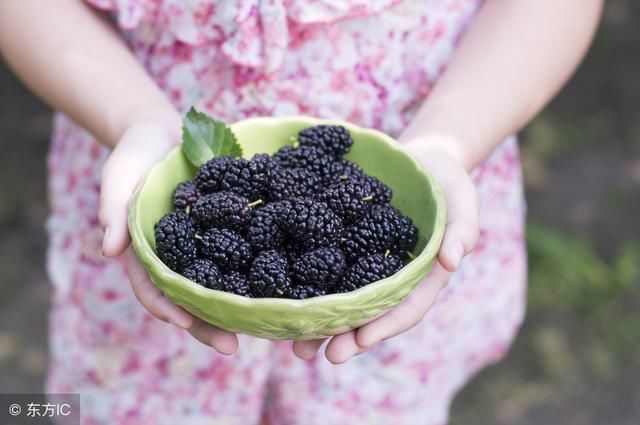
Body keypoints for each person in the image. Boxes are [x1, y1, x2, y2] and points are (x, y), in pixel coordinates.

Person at [0, 1, 603, 424]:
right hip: (132, 147)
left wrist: (448, 144)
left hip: (438, 123)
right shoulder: (215, 205)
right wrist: (136, 120)